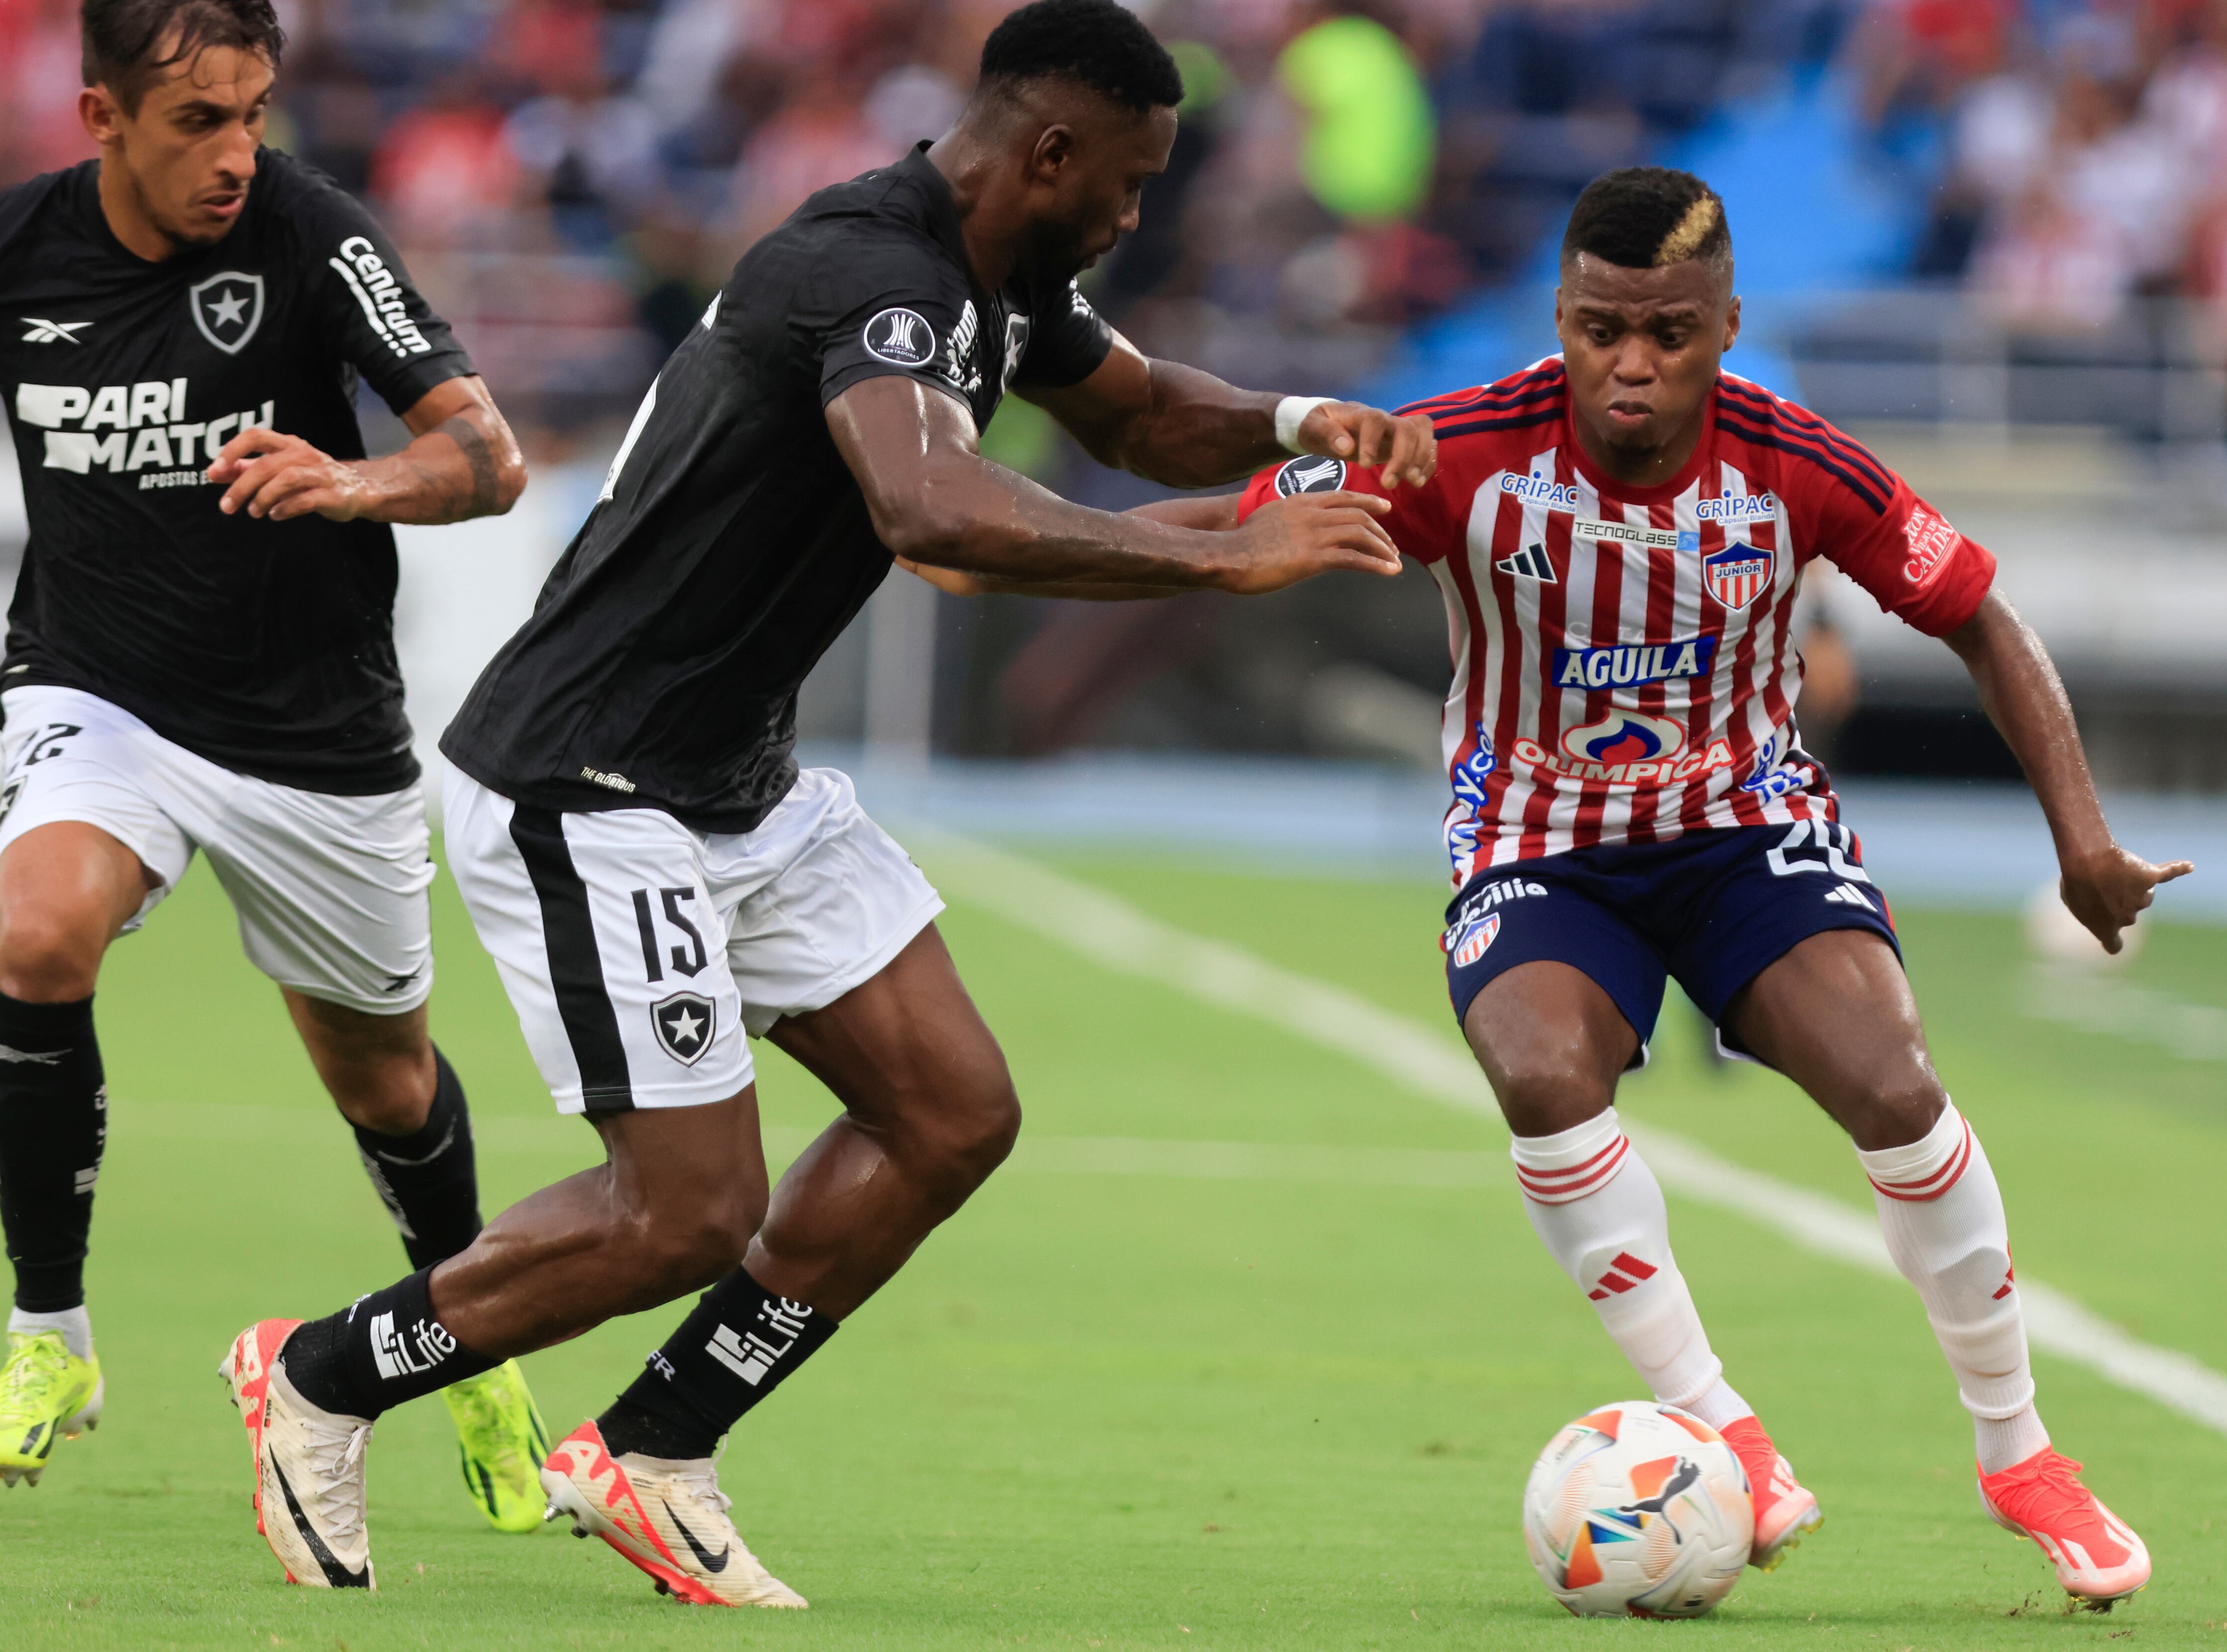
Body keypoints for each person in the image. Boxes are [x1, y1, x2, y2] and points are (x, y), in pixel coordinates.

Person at [223, 0, 1433, 1603]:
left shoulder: (996, 276)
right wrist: (1217, 553)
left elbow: (1136, 413)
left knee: (950, 1114)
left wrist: (1290, 431)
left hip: (735, 782)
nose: (1140, 214)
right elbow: (929, 505)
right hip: (587, 782)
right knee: (689, 1211)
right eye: (1132, 182)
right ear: (1051, 148)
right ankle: (318, 1377)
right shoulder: (871, 270)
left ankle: (653, 1448)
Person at [1116, 167, 2182, 1611]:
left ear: (1728, 325)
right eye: (1603, 328)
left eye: (1670, 332)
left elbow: (1981, 616)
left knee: (1897, 1086)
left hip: (1747, 829)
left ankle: (2019, 1453)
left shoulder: (1800, 462)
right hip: (1538, 843)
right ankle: (1731, 1430)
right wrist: (1024, 548)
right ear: (1559, 315)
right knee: (1543, 1072)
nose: (1633, 363)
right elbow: (1233, 514)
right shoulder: (1462, 453)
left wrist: (2083, 839)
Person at [0, 0, 553, 1529]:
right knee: (40, 932)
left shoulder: (310, 237)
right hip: (100, 694)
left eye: (253, 112)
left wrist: (354, 479)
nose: (235, 153)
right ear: (99, 118)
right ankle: (49, 1338)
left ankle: (470, 1342)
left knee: (386, 1080)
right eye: (198, 118)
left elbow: (489, 458)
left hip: (313, 735)